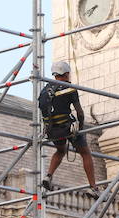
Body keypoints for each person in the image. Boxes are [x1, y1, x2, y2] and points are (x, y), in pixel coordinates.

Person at [40, 61, 100, 195]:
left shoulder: (45, 91)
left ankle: (48, 176)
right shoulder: (69, 88)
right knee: (85, 153)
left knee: (60, 151)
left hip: (53, 129)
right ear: (66, 74)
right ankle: (93, 187)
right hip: (68, 127)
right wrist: (81, 126)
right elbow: (79, 112)